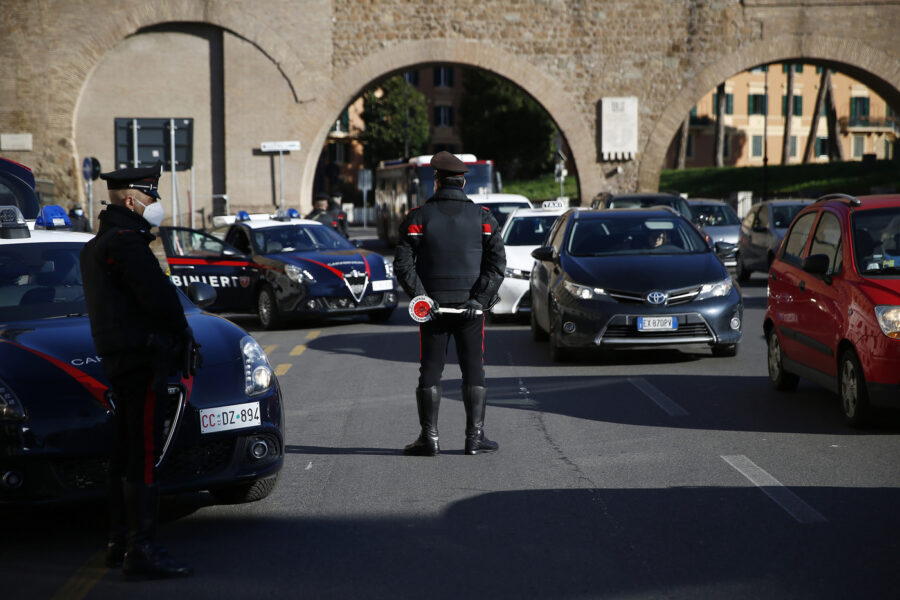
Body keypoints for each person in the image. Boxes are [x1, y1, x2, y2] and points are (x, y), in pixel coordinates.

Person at [79, 161, 197, 579]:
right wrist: (182, 333)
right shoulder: (127, 243)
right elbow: (160, 301)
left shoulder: (99, 243)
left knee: (125, 452)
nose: (157, 204)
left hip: (119, 357)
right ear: (131, 200)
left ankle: (119, 542)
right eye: (152, 196)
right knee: (144, 454)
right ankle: (143, 548)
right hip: (141, 358)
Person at [394, 151, 506, 456]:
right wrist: (479, 299)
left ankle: (429, 438)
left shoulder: (417, 218)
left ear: (437, 181)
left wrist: (423, 298)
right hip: (470, 309)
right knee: (474, 369)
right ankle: (475, 438)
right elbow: (497, 265)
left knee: (430, 370)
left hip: (434, 311)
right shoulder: (483, 218)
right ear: (464, 182)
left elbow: (403, 265)